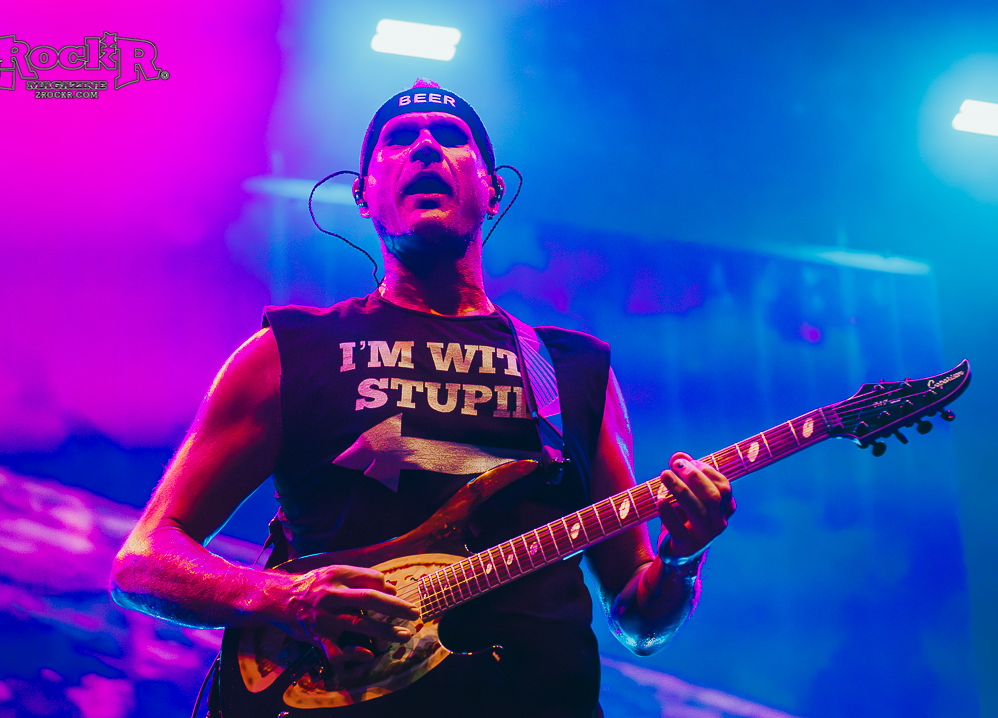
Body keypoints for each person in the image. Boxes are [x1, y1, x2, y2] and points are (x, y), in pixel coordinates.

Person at [110, 80, 735, 717]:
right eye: (400, 139)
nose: (427, 147)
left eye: (452, 137)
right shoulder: (288, 352)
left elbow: (639, 620)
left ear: (493, 190)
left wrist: (682, 560)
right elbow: (143, 561)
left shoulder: (574, 371)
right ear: (362, 195)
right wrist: (284, 599)